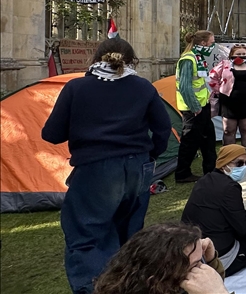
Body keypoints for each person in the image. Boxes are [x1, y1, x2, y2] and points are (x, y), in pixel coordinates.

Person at [42, 38, 172, 294]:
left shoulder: (77, 87)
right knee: (131, 234)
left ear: (95, 58)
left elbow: (52, 133)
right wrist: (151, 154)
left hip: (96, 167)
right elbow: (163, 127)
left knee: (87, 238)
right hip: (137, 166)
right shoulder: (143, 87)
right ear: (132, 60)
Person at [181, 145, 246, 276]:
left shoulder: (204, 180)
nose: (243, 167)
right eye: (239, 163)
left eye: (245, 163)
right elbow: (244, 229)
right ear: (224, 164)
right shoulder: (229, 187)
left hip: (192, 250)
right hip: (221, 256)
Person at [93, 222, 230, 294]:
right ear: (164, 272)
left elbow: (207, 284)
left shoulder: (162, 286)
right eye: (195, 266)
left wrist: (211, 261)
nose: (202, 270)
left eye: (201, 261)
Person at [175, 30, 218, 183]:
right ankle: (182, 173)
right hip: (193, 109)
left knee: (208, 139)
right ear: (203, 43)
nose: (212, 46)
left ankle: (211, 169)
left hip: (202, 106)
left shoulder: (197, 58)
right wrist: (195, 107)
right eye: (211, 43)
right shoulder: (188, 60)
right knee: (190, 142)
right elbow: (185, 87)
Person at [209, 45, 246, 152]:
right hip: (228, 102)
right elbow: (212, 77)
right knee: (228, 131)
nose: (241, 56)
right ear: (232, 54)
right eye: (238, 54)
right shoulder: (224, 64)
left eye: (243, 54)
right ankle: (229, 156)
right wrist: (219, 90)